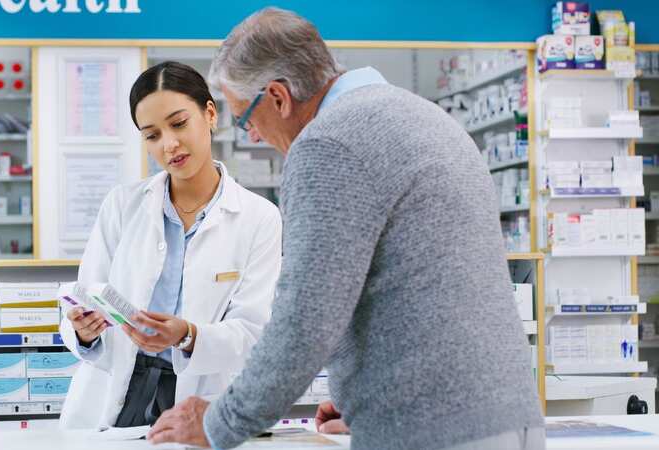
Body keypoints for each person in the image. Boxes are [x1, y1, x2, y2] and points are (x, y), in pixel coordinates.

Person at [147, 8, 545, 450]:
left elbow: (305, 320)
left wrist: (220, 422)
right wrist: (370, 394)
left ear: (278, 97)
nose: (254, 136)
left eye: (246, 119)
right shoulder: (423, 116)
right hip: (505, 416)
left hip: (435, 429)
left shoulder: (328, 144)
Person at [58, 61, 282, 430]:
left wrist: (188, 335)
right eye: (152, 135)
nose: (169, 144)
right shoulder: (122, 205)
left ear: (209, 114)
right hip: (118, 390)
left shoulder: (259, 217)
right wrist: (83, 330)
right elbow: (85, 298)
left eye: (179, 124)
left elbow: (252, 332)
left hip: (202, 396)